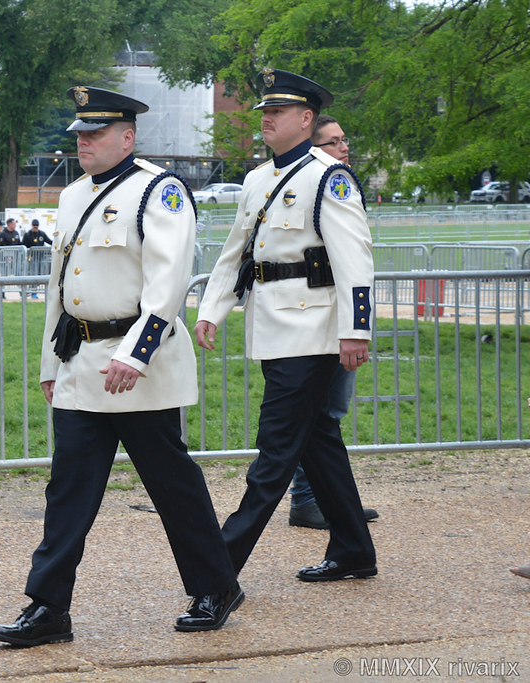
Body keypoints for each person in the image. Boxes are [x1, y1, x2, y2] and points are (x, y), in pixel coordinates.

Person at [0, 86, 241, 650]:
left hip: (139, 367)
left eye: (96, 133)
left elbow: (169, 280)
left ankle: (214, 586)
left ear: (127, 137)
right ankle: (48, 606)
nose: (84, 142)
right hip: (82, 362)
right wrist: (49, 361)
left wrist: (137, 351)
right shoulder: (74, 194)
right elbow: (61, 287)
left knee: (170, 484)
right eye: (80, 133)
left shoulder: (159, 191)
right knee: (68, 490)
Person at [194, 69, 377, 584]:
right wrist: (213, 307)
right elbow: (238, 253)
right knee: (317, 441)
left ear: (305, 118)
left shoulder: (327, 176)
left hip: (313, 329)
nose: (267, 119)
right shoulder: (257, 179)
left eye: (277, 112)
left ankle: (219, 567)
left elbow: (354, 259)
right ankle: (355, 551)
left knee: (275, 451)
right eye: (264, 112)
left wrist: (355, 330)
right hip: (273, 326)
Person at [287, 114, 379, 530]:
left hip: (338, 318)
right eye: (334, 142)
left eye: (346, 140)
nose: (344, 148)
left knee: (328, 414)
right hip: (316, 320)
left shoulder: (337, 185)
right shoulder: (315, 185)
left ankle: (331, 502)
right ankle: (309, 500)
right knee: (316, 415)